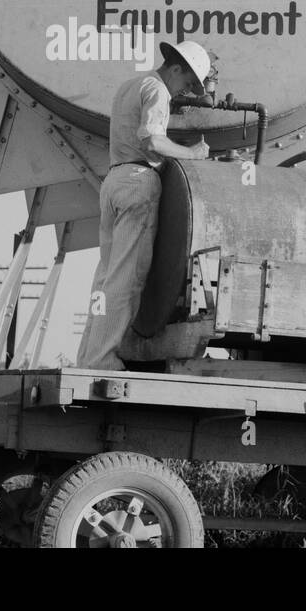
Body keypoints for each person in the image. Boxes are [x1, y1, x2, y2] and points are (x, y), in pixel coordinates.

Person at [76, 40, 214, 371]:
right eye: (188, 82)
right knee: (126, 279)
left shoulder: (130, 85)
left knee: (105, 278)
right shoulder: (157, 90)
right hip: (138, 181)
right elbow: (151, 138)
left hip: (113, 181)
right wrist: (193, 154)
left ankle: (87, 356)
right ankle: (102, 360)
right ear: (177, 68)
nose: (186, 90)